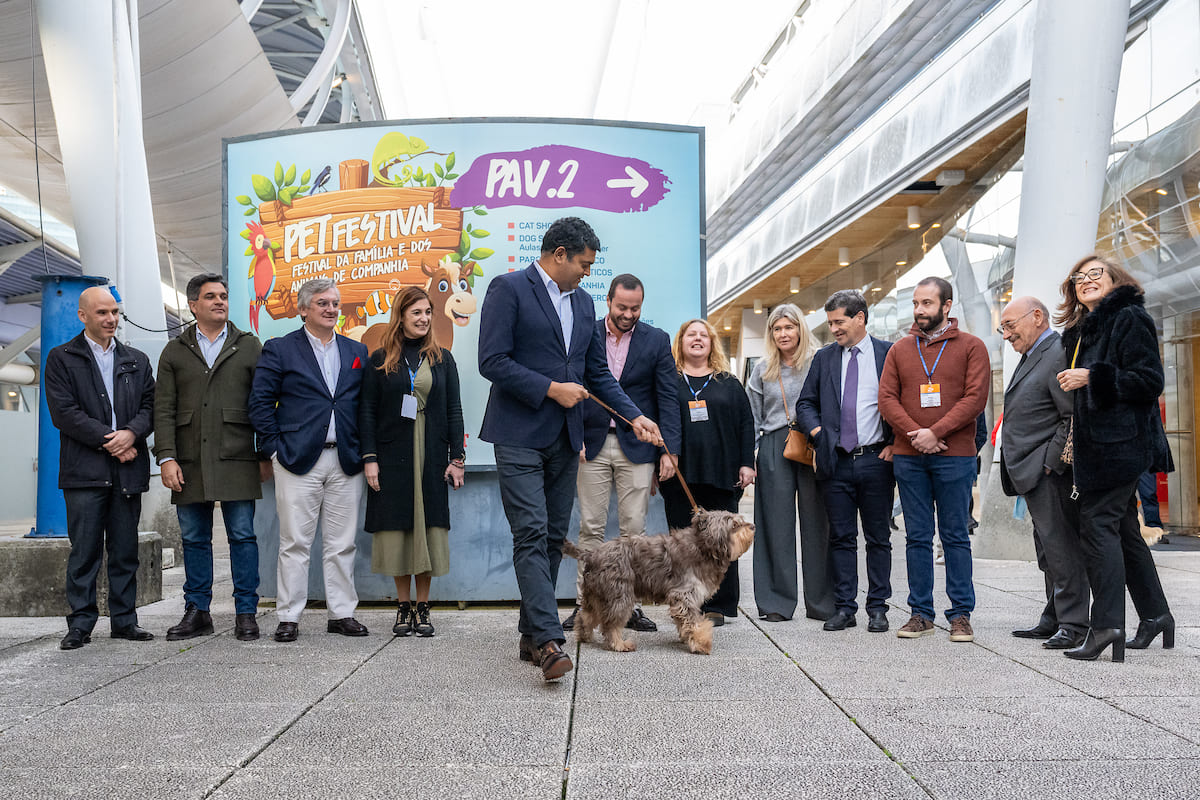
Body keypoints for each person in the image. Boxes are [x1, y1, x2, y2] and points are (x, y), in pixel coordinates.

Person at [477, 217, 662, 682]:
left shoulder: (582, 304)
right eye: (582, 264)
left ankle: (527, 633)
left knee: (553, 537)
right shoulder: (508, 289)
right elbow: (491, 361)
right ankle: (546, 641)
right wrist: (550, 389)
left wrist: (634, 416)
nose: (586, 273)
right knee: (531, 531)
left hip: (565, 438)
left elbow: (597, 374)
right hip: (517, 433)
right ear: (558, 254)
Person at [1055, 255, 1174, 661]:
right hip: (1101, 446)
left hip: (1120, 446)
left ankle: (1106, 625)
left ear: (1114, 279)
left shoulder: (1128, 317)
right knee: (1122, 530)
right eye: (1078, 278)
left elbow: (1149, 380)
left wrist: (1092, 376)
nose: (1086, 281)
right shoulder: (1085, 328)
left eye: (1095, 274)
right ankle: (1156, 615)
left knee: (1097, 527)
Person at [248, 278, 370, 642]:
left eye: (335, 303)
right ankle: (288, 616)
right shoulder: (280, 349)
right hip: (297, 460)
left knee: (342, 543)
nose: (332, 309)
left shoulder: (355, 350)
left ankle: (342, 613)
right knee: (295, 542)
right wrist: (272, 450)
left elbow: (363, 405)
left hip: (345, 460)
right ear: (303, 309)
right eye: (322, 303)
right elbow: (260, 402)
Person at [564, 274, 680, 634]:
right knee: (591, 529)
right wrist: (575, 435)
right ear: (609, 301)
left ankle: (629, 608)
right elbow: (577, 386)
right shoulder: (586, 334)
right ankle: (586, 607)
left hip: (638, 447)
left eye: (635, 308)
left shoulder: (657, 340)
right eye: (622, 307)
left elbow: (667, 399)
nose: (629, 314)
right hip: (592, 443)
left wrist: (669, 451)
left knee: (635, 532)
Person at [154, 273, 266, 642]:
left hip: (237, 455)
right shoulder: (174, 351)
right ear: (193, 305)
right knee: (194, 538)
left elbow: (264, 404)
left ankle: (246, 612)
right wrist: (166, 457)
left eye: (223, 295)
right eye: (211, 296)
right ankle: (197, 610)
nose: (219, 301)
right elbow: (164, 409)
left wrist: (265, 453)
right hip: (188, 458)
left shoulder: (249, 347)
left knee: (243, 536)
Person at [44, 286, 155, 650]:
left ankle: (125, 621)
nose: (110, 319)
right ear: (83, 316)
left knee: (125, 550)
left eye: (114, 313)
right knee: (84, 551)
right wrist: (114, 440)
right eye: (102, 313)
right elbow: (64, 413)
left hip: (127, 471)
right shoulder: (62, 358)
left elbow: (150, 407)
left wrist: (132, 434)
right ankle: (80, 624)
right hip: (84, 472)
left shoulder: (136, 359)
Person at [878, 276, 989, 643]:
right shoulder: (899, 350)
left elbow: (974, 399)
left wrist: (936, 433)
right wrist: (917, 435)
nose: (919, 310)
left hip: (954, 457)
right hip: (910, 457)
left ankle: (960, 615)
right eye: (915, 303)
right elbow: (887, 399)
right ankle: (920, 613)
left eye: (927, 303)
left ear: (946, 305)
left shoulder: (972, 347)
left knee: (955, 536)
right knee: (917, 537)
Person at [359, 286, 465, 638]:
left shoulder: (442, 358)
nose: (423, 319)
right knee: (398, 530)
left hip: (431, 454)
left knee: (427, 528)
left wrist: (457, 458)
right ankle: (402, 606)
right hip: (392, 456)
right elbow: (367, 412)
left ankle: (423, 606)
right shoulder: (379, 358)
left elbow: (454, 409)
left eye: (427, 312)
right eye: (416, 312)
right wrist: (370, 459)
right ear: (401, 315)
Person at [796, 290, 895, 632]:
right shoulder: (824, 359)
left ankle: (878, 608)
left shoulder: (887, 354)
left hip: (876, 460)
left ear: (860, 318)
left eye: (839, 322)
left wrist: (895, 444)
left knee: (878, 537)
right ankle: (844, 608)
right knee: (840, 537)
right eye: (831, 323)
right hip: (834, 461)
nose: (834, 329)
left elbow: (902, 400)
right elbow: (805, 404)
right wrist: (819, 433)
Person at [997, 296, 1089, 649]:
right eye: (1002, 327)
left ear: (1037, 317)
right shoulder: (1033, 354)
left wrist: (1052, 463)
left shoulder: (1056, 352)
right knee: (1047, 550)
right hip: (1032, 471)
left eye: (1010, 325)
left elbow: (1070, 415)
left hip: (1047, 471)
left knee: (1061, 548)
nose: (1006, 334)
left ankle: (1074, 624)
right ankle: (1053, 617)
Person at [659, 319, 755, 627]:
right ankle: (686, 604)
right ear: (681, 341)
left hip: (721, 472)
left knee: (723, 542)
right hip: (680, 476)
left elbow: (745, 424)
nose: (698, 339)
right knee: (684, 547)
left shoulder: (728, 382)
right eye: (691, 334)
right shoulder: (668, 380)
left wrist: (746, 463)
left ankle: (721, 605)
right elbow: (658, 422)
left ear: (712, 343)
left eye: (704, 335)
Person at [747, 303, 833, 623]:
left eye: (789, 327)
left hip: (812, 443)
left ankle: (823, 603)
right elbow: (752, 417)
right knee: (774, 527)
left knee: (818, 523)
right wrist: (750, 457)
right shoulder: (762, 368)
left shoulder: (819, 361)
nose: (783, 334)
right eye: (777, 329)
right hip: (772, 444)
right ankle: (775, 602)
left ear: (800, 328)